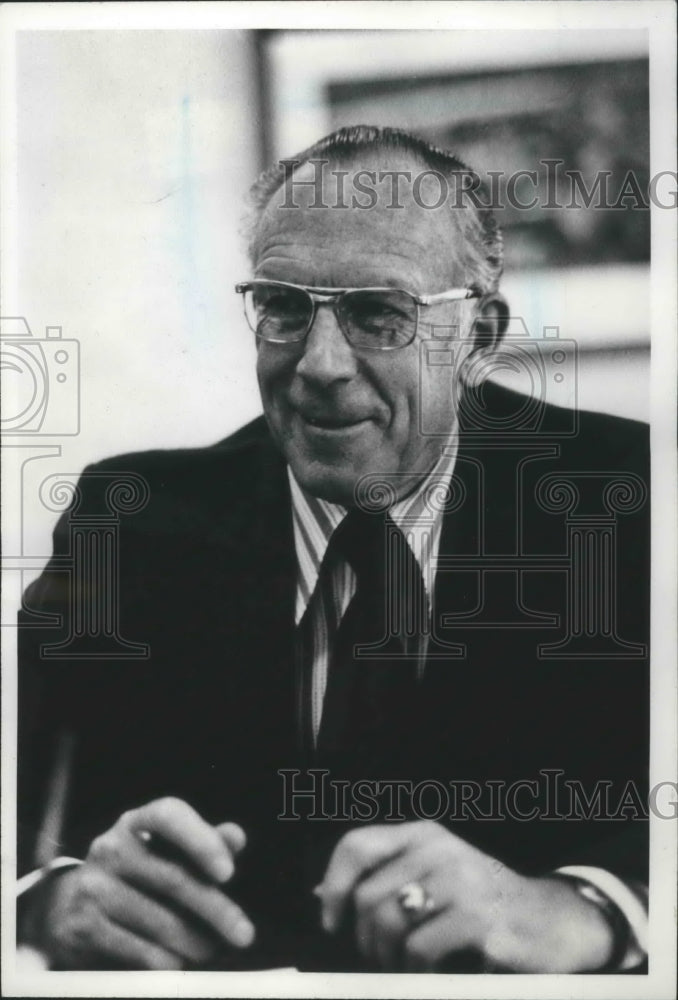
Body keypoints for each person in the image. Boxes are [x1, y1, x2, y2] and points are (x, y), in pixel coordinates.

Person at [17, 125, 649, 973]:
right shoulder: (128, 521)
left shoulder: (635, 499)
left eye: (378, 314)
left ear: (480, 339)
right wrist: (45, 897)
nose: (318, 364)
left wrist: (592, 909)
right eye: (282, 305)